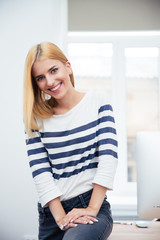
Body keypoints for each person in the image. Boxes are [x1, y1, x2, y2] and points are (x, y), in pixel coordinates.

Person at [23, 42, 118, 240]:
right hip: (51, 213)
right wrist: (61, 218)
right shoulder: (35, 118)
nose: (49, 81)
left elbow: (108, 159)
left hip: (90, 205)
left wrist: (92, 208)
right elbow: (41, 172)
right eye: (40, 78)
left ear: (68, 66)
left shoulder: (98, 101)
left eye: (53, 70)